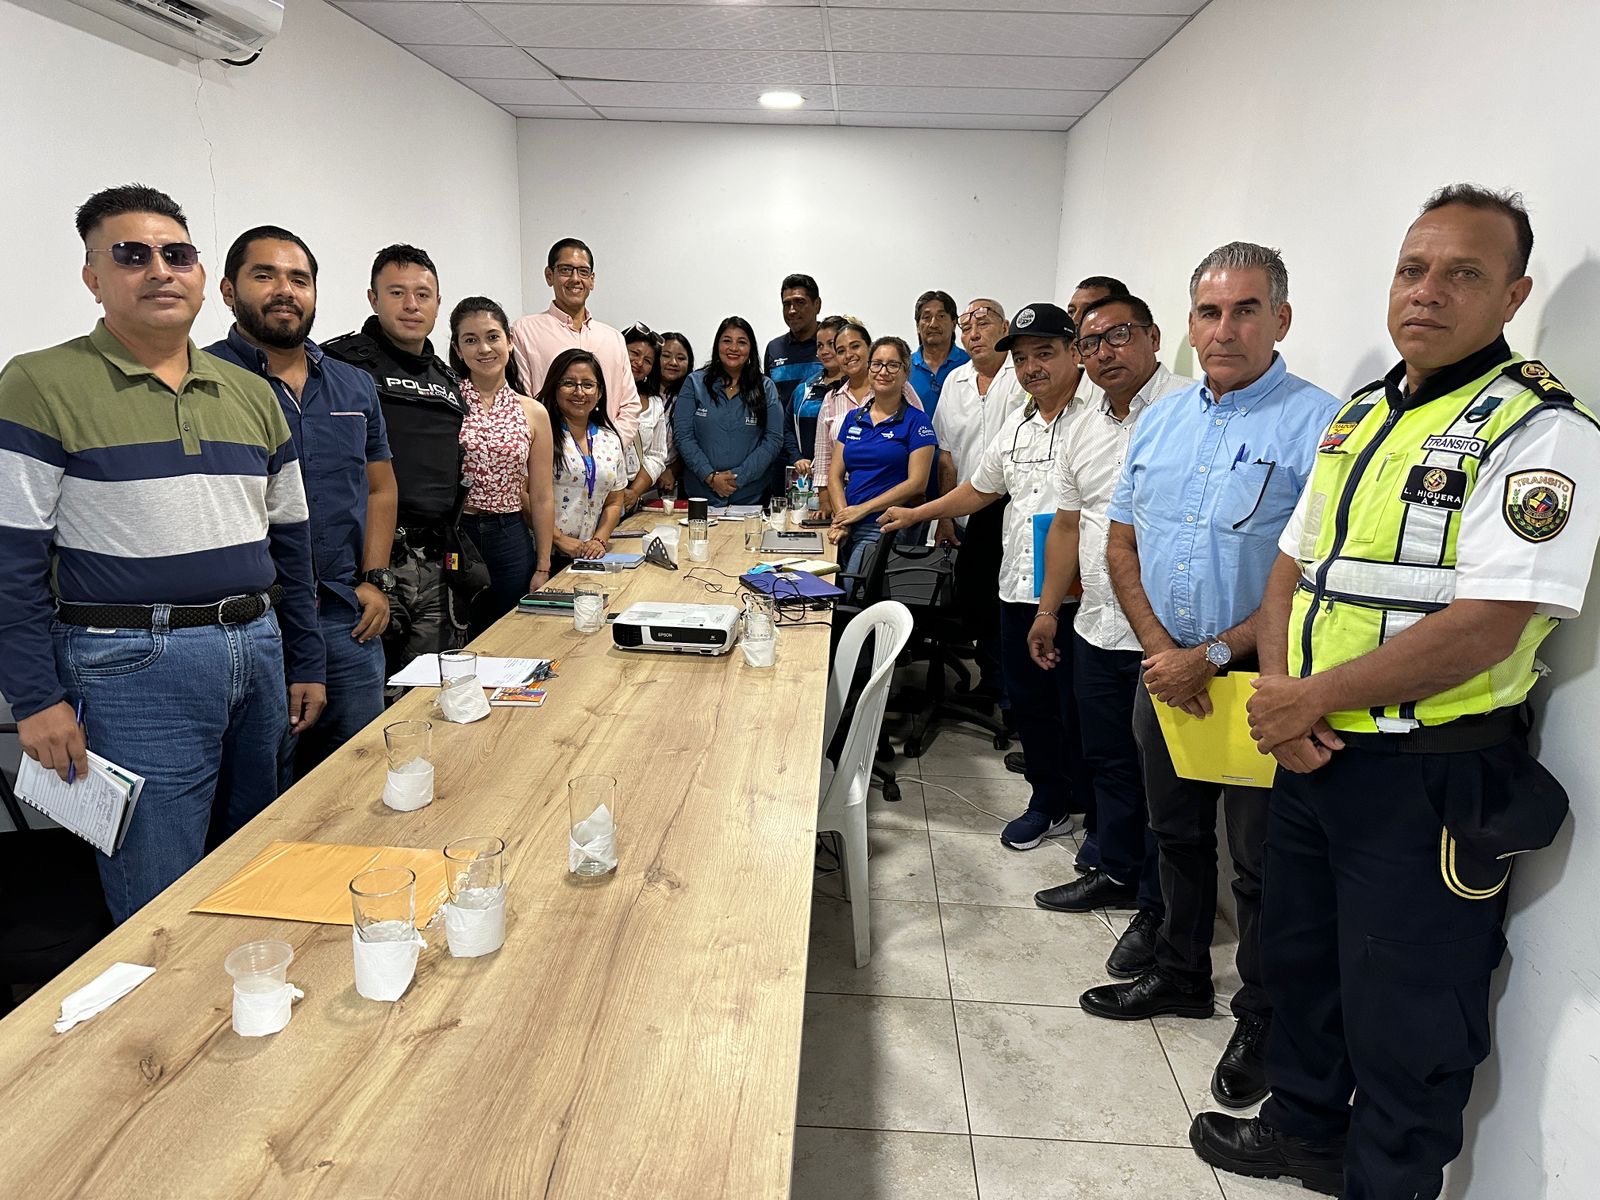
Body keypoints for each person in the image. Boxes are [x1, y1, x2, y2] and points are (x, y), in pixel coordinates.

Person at [1192, 188, 1600, 1200]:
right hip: (1313, 752)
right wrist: (1283, 696)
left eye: (1463, 274)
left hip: (1424, 779)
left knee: (1407, 1017)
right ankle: (1301, 1135)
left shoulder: (1542, 432)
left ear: (1512, 296)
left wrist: (1306, 700)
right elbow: (1293, 570)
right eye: (1413, 269)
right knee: (1301, 966)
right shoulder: (1365, 414)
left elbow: (1489, 624)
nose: (1428, 291)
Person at [0, 184, 323, 923]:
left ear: (202, 275)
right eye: (131, 255)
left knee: (259, 862)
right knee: (160, 892)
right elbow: (11, 560)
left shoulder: (250, 392)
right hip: (132, 666)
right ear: (93, 276)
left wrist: (305, 658)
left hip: (257, 647)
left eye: (177, 255)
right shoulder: (39, 383)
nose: (159, 271)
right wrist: (36, 698)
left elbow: (292, 540)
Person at [1078, 244, 1340, 1117]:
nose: (1224, 330)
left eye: (1245, 310)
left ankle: (1260, 1018)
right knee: (1176, 836)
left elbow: (1309, 578)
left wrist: (1214, 657)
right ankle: (1180, 973)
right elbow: (1122, 543)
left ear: (1280, 319)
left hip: (1260, 683)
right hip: (1164, 672)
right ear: (1189, 324)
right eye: (1209, 312)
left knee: (1261, 868)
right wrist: (1163, 652)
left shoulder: (1320, 426)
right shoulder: (1160, 421)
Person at [880, 304, 1091, 852]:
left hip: (1075, 596)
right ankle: (1048, 801)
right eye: (1021, 359)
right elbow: (979, 488)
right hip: (1018, 586)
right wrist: (919, 513)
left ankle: (1092, 811)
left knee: (1077, 708)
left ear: (1074, 353)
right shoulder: (1019, 425)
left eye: (1044, 354)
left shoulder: (1096, 420)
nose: (1031, 368)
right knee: (1031, 705)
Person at [1026, 293, 1194, 979]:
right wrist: (1048, 610)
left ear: (1153, 336)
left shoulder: (1188, 410)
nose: (1103, 354)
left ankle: (1157, 908)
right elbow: (1069, 524)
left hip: (1168, 637)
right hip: (1097, 623)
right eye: (1090, 344)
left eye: (1118, 336)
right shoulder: (1083, 423)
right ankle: (1116, 869)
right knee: (1110, 763)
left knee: (1166, 786)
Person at [206, 225, 395, 778]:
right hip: (254, 623)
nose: (285, 290)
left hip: (345, 613)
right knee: (265, 785)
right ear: (228, 290)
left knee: (359, 773)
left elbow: (381, 487)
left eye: (299, 279)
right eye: (264, 275)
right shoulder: (206, 380)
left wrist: (375, 579)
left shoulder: (354, 385)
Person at [322, 245, 482, 668]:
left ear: (437, 303)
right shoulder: (337, 367)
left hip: (435, 560)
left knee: (432, 682)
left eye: (422, 294)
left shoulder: (446, 378)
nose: (412, 305)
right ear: (373, 299)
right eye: (396, 293)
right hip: (363, 560)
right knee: (366, 687)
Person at [934, 298, 1027, 705]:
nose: (973, 333)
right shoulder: (955, 382)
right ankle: (992, 683)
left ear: (1005, 328)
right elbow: (947, 456)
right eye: (966, 326)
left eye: (983, 323)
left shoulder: (1022, 375)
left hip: (1015, 509)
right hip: (967, 510)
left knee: (1014, 604)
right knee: (978, 601)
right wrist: (944, 517)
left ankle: (1014, 698)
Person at [449, 297, 554, 630]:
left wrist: (543, 565)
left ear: (509, 341)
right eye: (471, 340)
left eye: (492, 337)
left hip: (510, 534)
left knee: (511, 630)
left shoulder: (533, 411)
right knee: (460, 632)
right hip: (457, 534)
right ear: (458, 348)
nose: (484, 348)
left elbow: (542, 495)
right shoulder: (446, 402)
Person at [510, 238, 640, 444]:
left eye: (583, 272)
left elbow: (630, 405)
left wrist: (609, 447)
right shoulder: (524, 331)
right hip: (550, 453)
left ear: (592, 280)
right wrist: (553, 449)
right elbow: (523, 400)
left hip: (608, 456)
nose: (575, 278)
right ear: (549, 275)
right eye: (565, 270)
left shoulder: (613, 338)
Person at [829, 336, 937, 583]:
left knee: (852, 588)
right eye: (877, 364)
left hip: (883, 524)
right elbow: (834, 475)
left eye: (892, 365)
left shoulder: (917, 421)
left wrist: (862, 510)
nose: (883, 372)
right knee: (825, 583)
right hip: (848, 523)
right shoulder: (853, 419)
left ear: (905, 372)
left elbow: (917, 484)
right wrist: (843, 518)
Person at [813, 318, 923, 518]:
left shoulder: (897, 387)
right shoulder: (831, 399)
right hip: (843, 501)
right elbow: (823, 459)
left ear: (869, 348)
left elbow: (918, 440)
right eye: (841, 351)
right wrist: (827, 504)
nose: (849, 355)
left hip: (890, 503)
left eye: (855, 346)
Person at [673, 316, 783, 508]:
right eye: (727, 341)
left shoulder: (766, 387)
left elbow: (773, 439)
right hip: (700, 497)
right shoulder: (695, 383)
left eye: (741, 342)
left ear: (751, 349)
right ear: (717, 345)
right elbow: (683, 436)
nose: (733, 348)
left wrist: (737, 478)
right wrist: (710, 476)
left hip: (751, 497)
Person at [538, 349, 627, 569]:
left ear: (599, 392)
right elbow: (524, 494)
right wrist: (559, 539)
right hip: (542, 553)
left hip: (589, 556)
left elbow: (615, 501)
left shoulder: (610, 439)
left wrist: (599, 540)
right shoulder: (541, 433)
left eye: (588, 385)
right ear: (554, 387)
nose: (579, 392)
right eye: (569, 383)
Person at [765, 273, 826, 493]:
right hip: (783, 456)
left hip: (826, 455)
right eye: (786, 304)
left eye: (800, 302)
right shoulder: (774, 349)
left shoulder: (832, 345)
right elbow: (770, 404)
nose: (792, 310)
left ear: (817, 305)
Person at [620, 323, 672, 509]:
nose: (639, 362)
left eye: (648, 361)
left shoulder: (655, 404)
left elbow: (656, 455)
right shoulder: (599, 394)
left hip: (634, 496)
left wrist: (634, 492)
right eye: (634, 353)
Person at [790, 314, 846, 482]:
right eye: (820, 345)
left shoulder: (860, 388)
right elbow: (787, 428)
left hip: (850, 479)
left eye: (831, 344)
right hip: (809, 478)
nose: (824, 351)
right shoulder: (805, 388)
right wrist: (797, 457)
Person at [909, 289, 971, 417]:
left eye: (941, 316)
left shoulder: (969, 363)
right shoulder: (904, 367)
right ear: (917, 326)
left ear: (954, 324)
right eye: (926, 317)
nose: (933, 324)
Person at [655, 331, 694, 498]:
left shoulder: (693, 397)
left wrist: (672, 469)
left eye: (681, 358)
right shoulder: (637, 395)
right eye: (666, 356)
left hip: (673, 483)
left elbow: (692, 442)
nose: (673, 363)